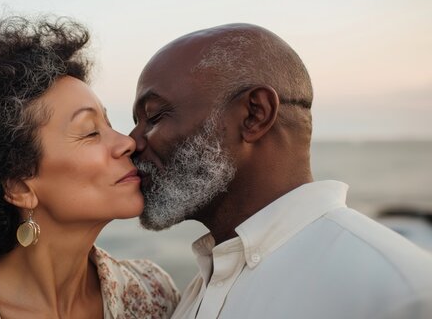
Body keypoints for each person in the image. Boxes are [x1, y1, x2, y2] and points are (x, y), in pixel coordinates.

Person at [129, 23, 432, 319]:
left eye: (154, 116)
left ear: (254, 115)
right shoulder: (200, 286)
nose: (132, 142)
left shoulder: (402, 295)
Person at [0, 15, 179, 319]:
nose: (127, 142)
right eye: (91, 131)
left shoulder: (153, 295)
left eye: (108, 124)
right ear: (19, 186)